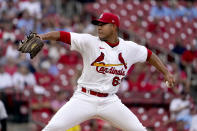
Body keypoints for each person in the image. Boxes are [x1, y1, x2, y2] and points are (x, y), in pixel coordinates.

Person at [37, 12, 175, 131]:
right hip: (84, 98)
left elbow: (149, 55)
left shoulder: (129, 48)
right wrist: (42, 37)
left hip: (110, 101)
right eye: (98, 24)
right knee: (53, 128)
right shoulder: (90, 42)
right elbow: (62, 35)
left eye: (103, 24)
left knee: (139, 129)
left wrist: (166, 73)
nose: (99, 27)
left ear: (114, 27)